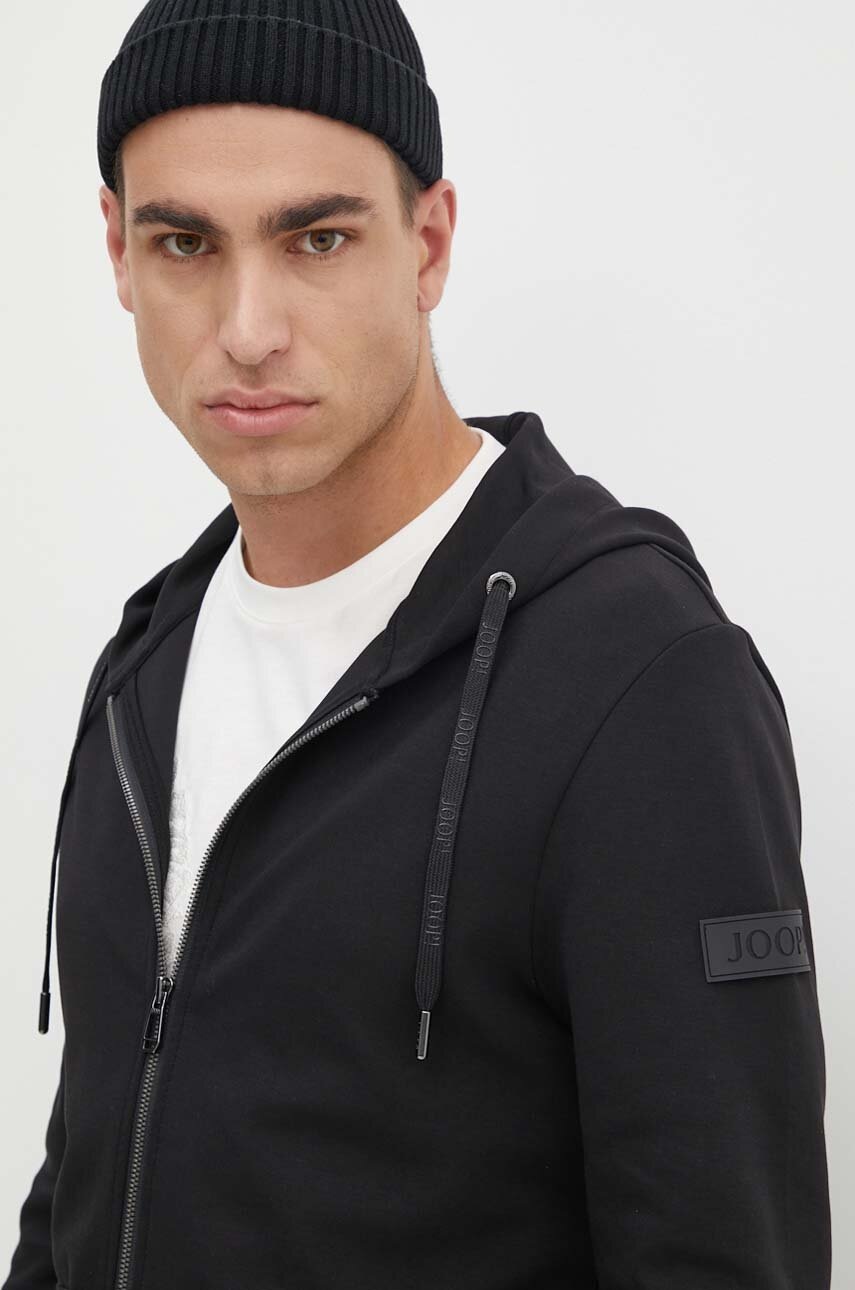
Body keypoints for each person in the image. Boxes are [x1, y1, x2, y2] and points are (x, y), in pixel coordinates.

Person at [2, 2, 832, 1288]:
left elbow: (721, 1252)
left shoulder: (637, 683)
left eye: (318, 238)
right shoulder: (147, 665)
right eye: (185, 244)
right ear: (118, 249)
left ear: (429, 243)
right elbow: (89, 1176)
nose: (248, 328)